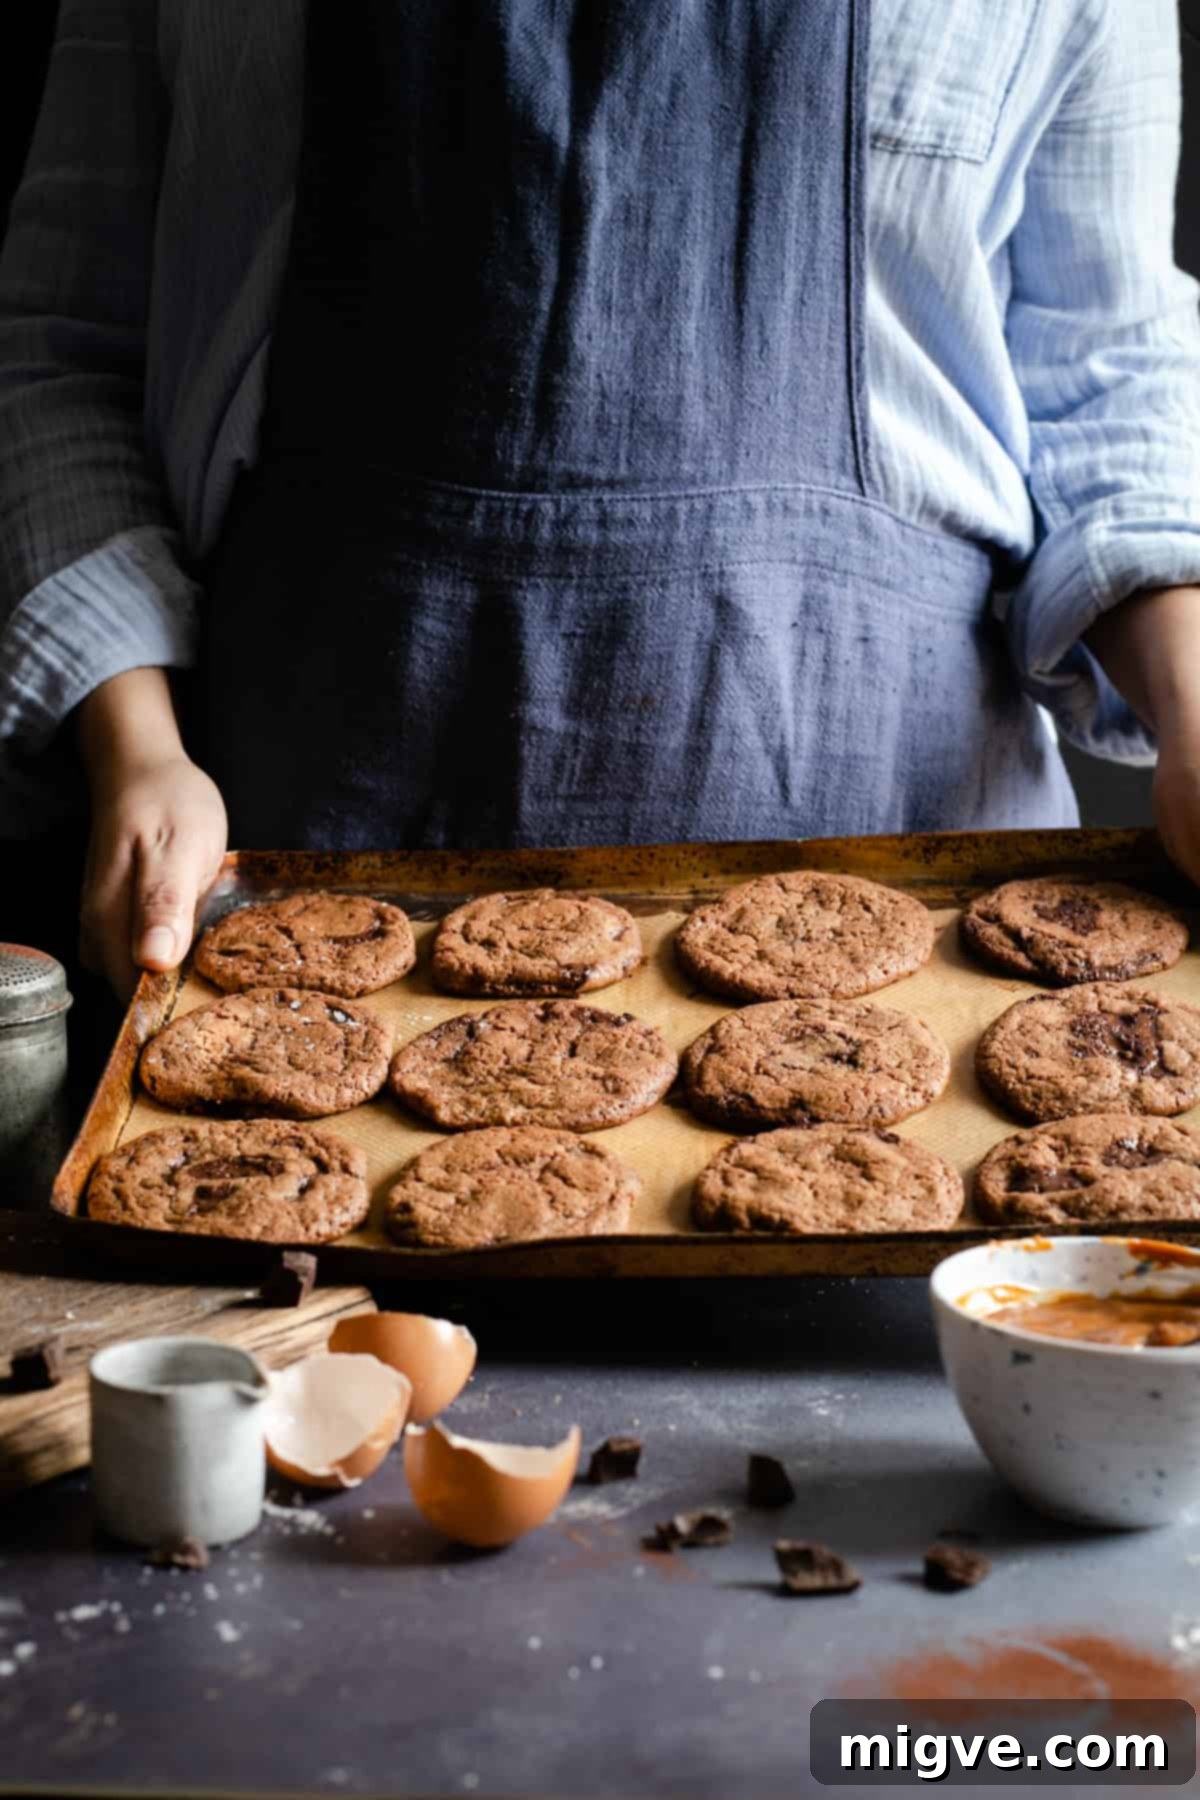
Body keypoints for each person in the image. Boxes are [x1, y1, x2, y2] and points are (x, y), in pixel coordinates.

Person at [1, 0, 1199, 1004]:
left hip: (908, 869)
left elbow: (1108, 373)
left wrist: (1196, 717)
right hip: (295, 852)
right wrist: (137, 748)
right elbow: (63, 342)